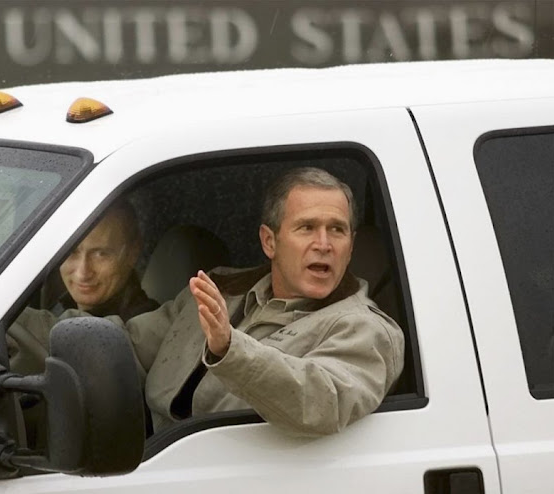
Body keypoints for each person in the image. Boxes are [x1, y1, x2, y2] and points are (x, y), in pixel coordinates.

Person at [128, 167, 405, 436]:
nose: (324, 244)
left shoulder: (368, 330)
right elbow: (130, 348)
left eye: (336, 229)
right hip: (147, 455)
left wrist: (230, 349)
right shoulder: (219, 288)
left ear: (351, 246)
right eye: (307, 227)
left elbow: (323, 402)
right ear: (269, 241)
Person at [8, 199, 158, 376]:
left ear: (132, 253)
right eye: (71, 252)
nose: (83, 273)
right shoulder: (57, 304)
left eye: (101, 254)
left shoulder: (141, 332)